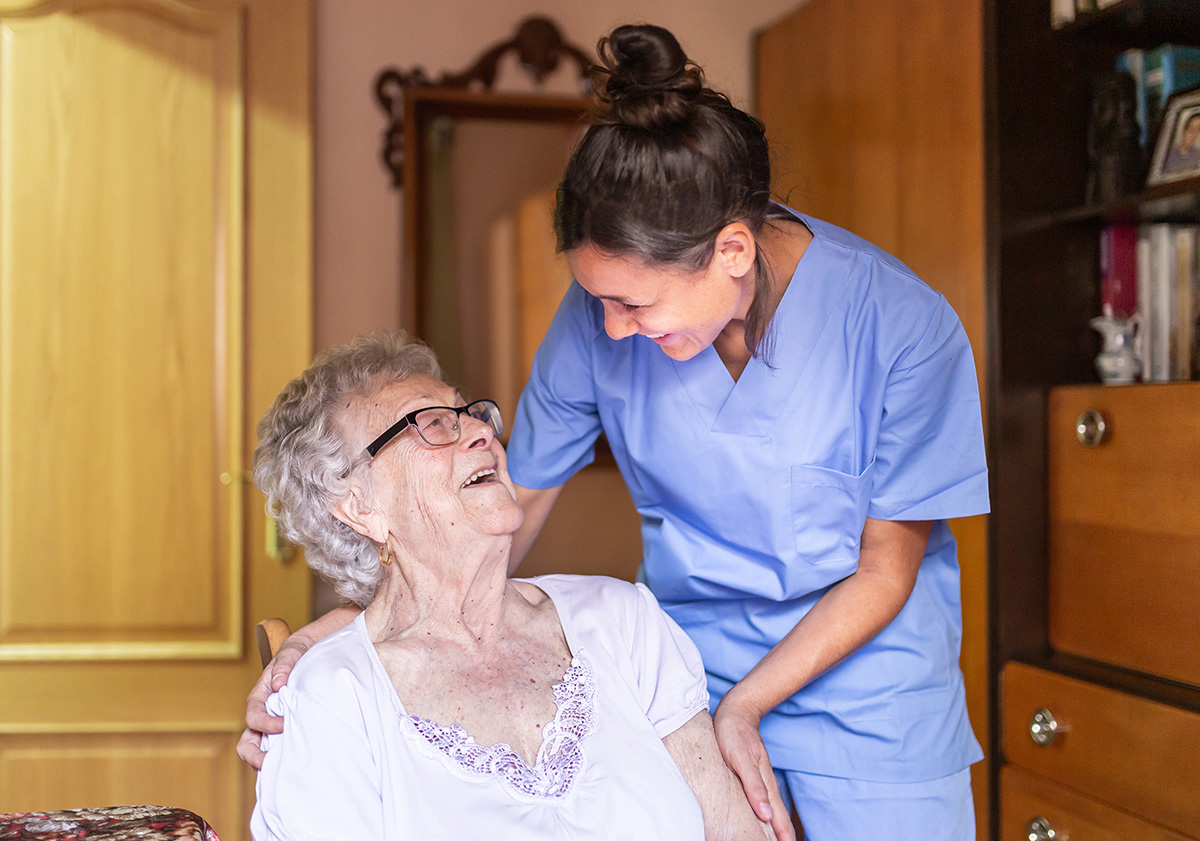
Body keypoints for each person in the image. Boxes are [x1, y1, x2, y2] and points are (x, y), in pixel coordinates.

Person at [243, 24, 989, 841]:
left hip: (871, 707)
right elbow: (501, 510)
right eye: (595, 297)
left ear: (732, 251)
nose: (610, 326)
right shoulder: (597, 324)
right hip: (684, 680)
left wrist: (746, 705)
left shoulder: (904, 327)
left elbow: (887, 569)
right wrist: (329, 642)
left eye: (634, 303)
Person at [246, 331, 772, 840]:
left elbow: (732, 828)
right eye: (430, 424)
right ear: (360, 508)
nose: (481, 432)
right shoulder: (333, 698)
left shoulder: (621, 618)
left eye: (471, 413)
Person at [1162, 110, 1200, 174]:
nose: (1194, 135)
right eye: (1192, 130)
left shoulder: (1196, 153)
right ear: (1183, 131)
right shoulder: (1169, 156)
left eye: (1198, 131)